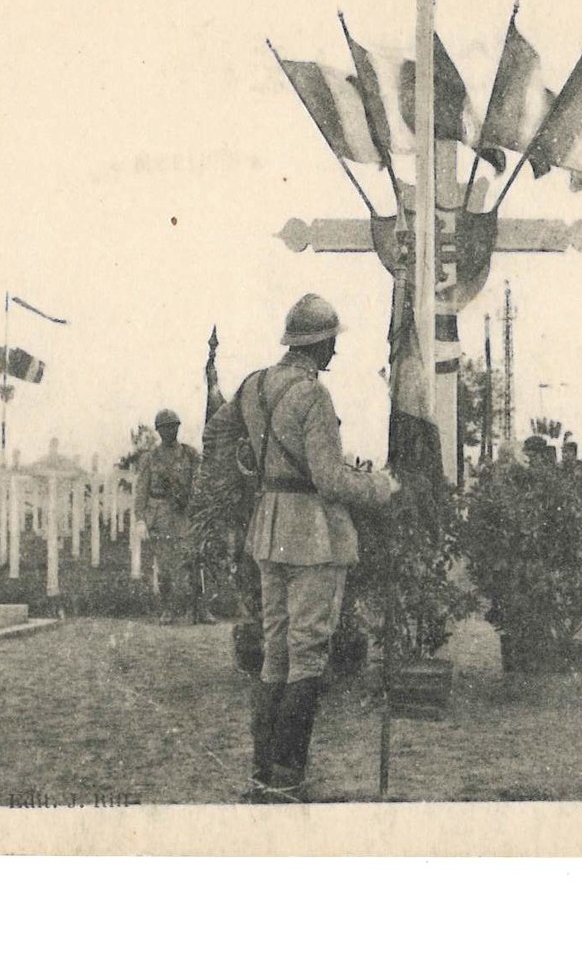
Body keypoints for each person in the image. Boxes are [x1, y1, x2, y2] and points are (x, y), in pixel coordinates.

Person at [206, 293, 399, 802]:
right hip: (313, 534)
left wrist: (248, 477)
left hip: (268, 528)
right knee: (308, 652)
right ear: (321, 343)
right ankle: (289, 775)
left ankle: (263, 772)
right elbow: (330, 481)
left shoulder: (254, 385)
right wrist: (383, 488)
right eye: (332, 342)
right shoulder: (314, 397)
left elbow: (215, 433)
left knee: (275, 652)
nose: (335, 352)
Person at [135, 408, 212, 625]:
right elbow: (142, 490)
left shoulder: (190, 454)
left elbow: (200, 482)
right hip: (160, 515)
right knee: (166, 566)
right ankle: (168, 609)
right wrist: (140, 519)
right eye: (165, 428)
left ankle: (200, 609)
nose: (170, 431)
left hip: (185, 514)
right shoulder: (150, 458)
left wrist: (199, 509)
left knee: (195, 562)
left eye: (173, 427)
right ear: (158, 431)